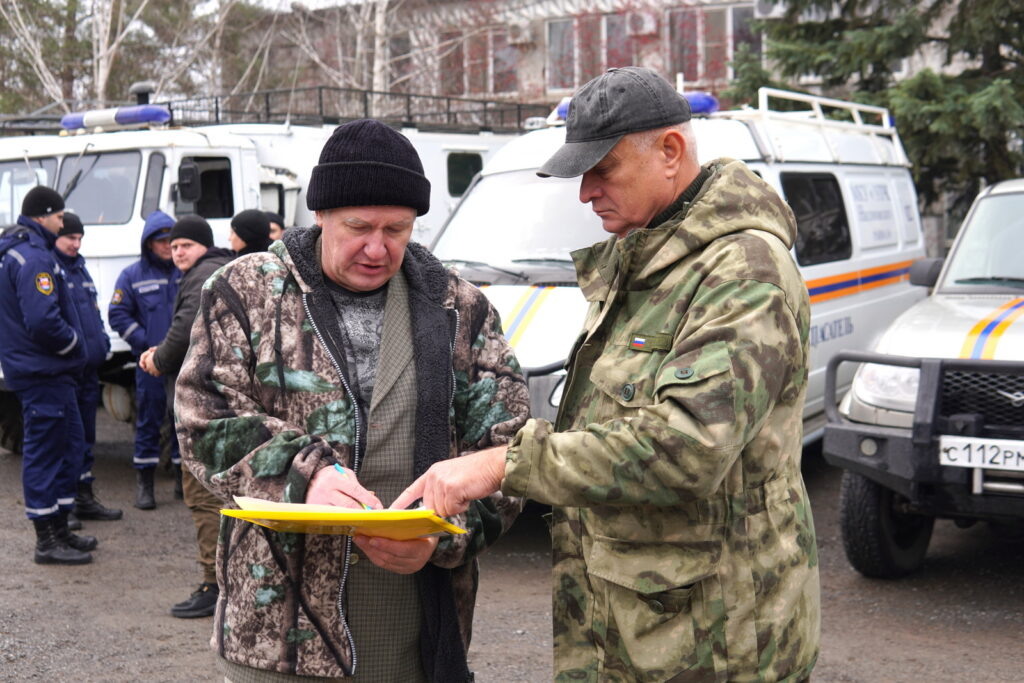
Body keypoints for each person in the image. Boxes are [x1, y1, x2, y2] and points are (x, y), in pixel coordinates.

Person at [395, 66, 821, 682]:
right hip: (644, 628)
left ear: (670, 151)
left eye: (603, 170)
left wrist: (501, 464)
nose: (586, 192)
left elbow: (686, 447)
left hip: (718, 641)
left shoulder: (742, 269)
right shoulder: (650, 254)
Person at [173, 119, 530, 681]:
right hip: (277, 628)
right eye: (358, 226)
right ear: (320, 215)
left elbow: (510, 451)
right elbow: (203, 417)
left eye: (398, 229)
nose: (377, 247)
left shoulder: (459, 307)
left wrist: (443, 539)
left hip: (411, 617)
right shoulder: (246, 291)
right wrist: (303, 475)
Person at [139, 215, 234, 618]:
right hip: (220, 401)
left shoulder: (203, 275)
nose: (178, 252)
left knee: (203, 497)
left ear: (203, 246)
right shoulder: (213, 270)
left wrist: (159, 358)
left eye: (186, 246)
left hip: (205, 405)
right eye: (174, 246)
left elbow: (185, 329)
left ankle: (213, 585)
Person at [0, 186, 96, 565]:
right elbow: (42, 321)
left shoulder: (27, 252)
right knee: (45, 453)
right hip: (43, 371)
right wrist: (73, 345)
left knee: (68, 446)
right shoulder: (34, 258)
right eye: (59, 216)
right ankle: (46, 539)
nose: (62, 221)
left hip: (48, 372)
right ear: (43, 216)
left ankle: (60, 529)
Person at [108, 209, 182, 510]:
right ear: (148, 243)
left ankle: (182, 481)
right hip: (150, 364)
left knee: (183, 421)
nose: (167, 246)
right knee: (149, 421)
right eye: (160, 240)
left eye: (171, 240)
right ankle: (145, 485)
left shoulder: (185, 272)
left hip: (181, 363)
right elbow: (117, 314)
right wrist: (144, 344)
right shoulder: (132, 275)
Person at [53, 212, 123, 525]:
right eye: (70, 237)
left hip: (88, 371)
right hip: (66, 371)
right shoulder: (50, 269)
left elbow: (92, 317)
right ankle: (64, 505)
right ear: (56, 235)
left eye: (80, 238)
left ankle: (83, 498)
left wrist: (103, 346)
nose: (76, 243)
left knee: (86, 439)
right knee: (65, 441)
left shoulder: (79, 268)